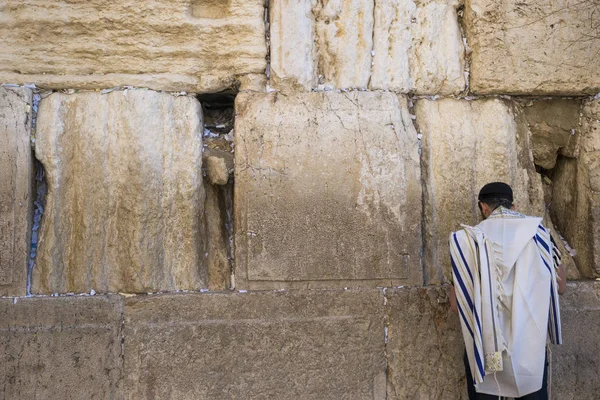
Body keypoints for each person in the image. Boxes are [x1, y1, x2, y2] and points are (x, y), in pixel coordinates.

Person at [448, 182, 566, 399]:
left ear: (483, 207)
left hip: (486, 347)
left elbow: (457, 306)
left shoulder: (465, 241)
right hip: (529, 347)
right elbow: (560, 286)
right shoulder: (541, 236)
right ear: (514, 205)